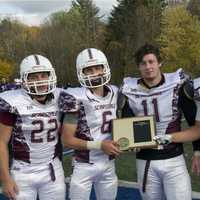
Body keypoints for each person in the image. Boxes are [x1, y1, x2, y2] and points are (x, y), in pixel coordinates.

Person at [119, 43, 200, 200]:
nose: (148, 66)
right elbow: (127, 127)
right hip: (146, 160)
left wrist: (197, 151)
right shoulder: (128, 89)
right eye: (143, 63)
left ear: (159, 63)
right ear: (138, 67)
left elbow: (193, 122)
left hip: (174, 159)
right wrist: (129, 145)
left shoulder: (177, 85)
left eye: (151, 62)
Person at [0, 55, 66, 200]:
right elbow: (1, 142)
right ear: (25, 80)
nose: (40, 81)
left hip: (53, 169)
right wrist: (5, 178)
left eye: (43, 75)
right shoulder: (13, 101)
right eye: (34, 77)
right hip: (23, 171)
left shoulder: (61, 97)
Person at [59, 48, 121, 200]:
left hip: (108, 164)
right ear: (82, 73)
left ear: (104, 68)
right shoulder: (76, 97)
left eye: (97, 68)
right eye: (89, 70)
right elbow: (67, 140)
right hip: (83, 165)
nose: (94, 73)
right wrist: (100, 145)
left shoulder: (115, 92)